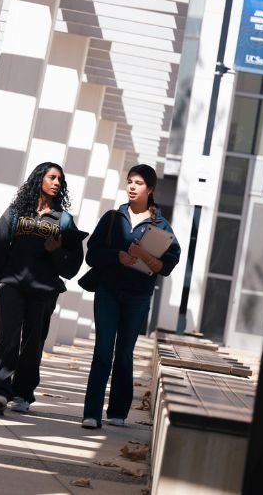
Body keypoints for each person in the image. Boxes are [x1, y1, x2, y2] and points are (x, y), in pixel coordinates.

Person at [78, 164, 180, 429]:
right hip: (108, 292)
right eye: (130, 182)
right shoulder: (113, 218)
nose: (132, 187)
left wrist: (144, 255)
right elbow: (92, 255)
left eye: (139, 183)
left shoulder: (163, 227)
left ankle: (118, 412)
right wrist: (118, 256)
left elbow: (166, 266)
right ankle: (91, 412)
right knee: (103, 350)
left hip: (137, 297)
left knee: (124, 353)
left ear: (151, 189)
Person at [0, 161, 84, 415]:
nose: (57, 182)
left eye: (60, 179)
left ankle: (23, 392)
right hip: (12, 285)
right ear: (39, 179)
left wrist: (56, 251)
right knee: (8, 338)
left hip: (44, 290)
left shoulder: (65, 220)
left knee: (33, 343)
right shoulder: (15, 212)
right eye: (52, 177)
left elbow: (72, 267)